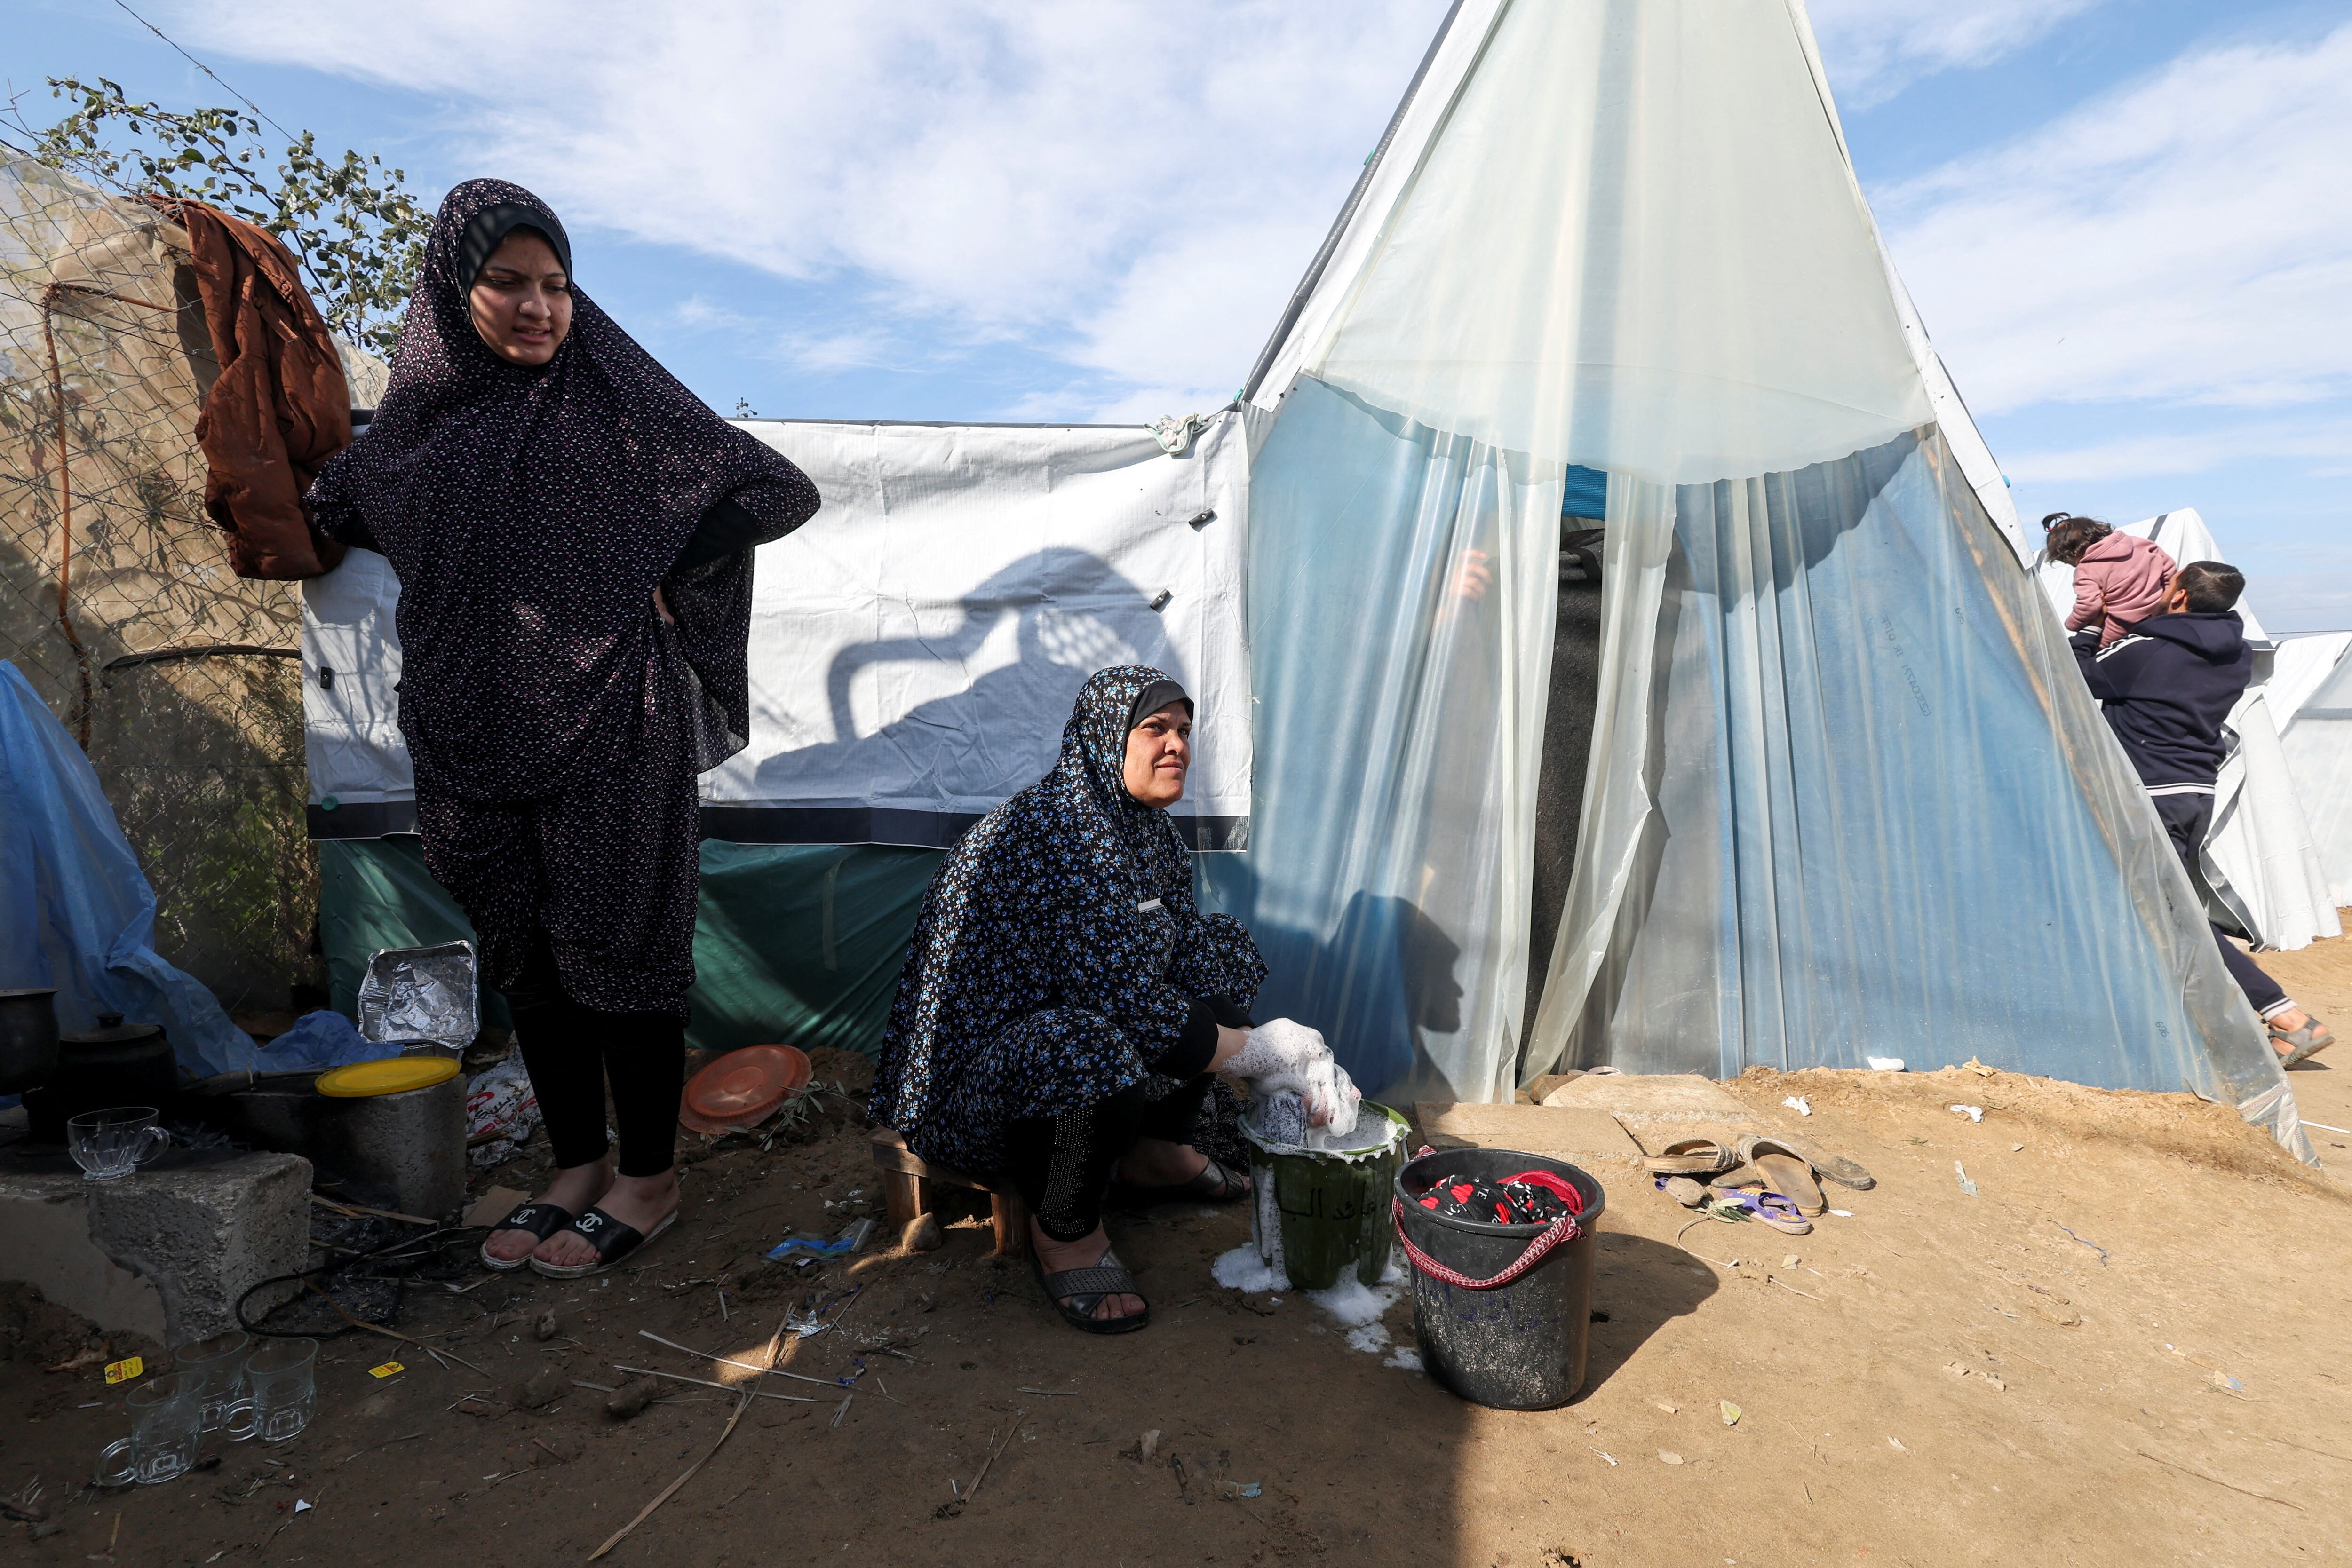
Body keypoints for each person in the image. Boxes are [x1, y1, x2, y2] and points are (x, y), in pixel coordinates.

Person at [306, 180, 822, 1275]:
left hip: (611, 725)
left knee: (621, 954)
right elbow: (328, 502)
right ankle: (574, 1164)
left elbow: (774, 491)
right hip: (461, 732)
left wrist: (659, 567)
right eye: (509, 283)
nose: (539, 308)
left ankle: (648, 1175)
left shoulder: (612, 411)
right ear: (453, 289)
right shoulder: (405, 438)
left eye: (558, 285)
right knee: (527, 958)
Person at [870, 665, 1358, 1333]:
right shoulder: (1058, 830)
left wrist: (1270, 1049)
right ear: (1105, 737)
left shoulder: (1148, 833)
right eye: (1155, 727)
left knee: (1215, 948)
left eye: (1185, 730)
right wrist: (1263, 1050)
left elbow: (1183, 957)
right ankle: (1065, 1225)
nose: (1178, 744)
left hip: (1074, 1032)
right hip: (977, 1088)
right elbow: (1129, 1005)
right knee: (1086, 1047)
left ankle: (1156, 1150)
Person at [2072, 560, 2334, 1066]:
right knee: (2155, 908)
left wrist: (2088, 623)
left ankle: (2287, 1017)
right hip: (2195, 792)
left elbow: (2080, 675)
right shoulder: (2235, 655)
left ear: (2178, 599)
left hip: (2149, 793)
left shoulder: (2147, 649)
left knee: (2177, 916)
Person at [2044, 513, 2177, 649]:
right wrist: (2164, 599)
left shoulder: (2086, 569)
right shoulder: (2139, 543)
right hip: (2157, 612)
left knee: (2092, 651)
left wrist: (2072, 624)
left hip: (2120, 624)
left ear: (2073, 553)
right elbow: (2169, 568)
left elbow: (2090, 605)